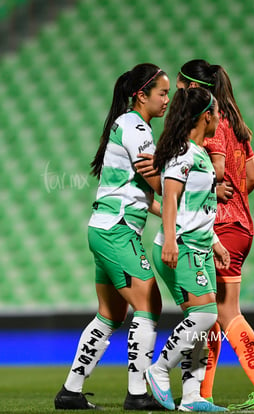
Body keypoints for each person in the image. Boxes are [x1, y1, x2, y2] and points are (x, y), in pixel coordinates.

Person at [54, 63, 170, 410]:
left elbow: (134, 191)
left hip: (104, 227)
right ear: (141, 95)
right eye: (162, 93)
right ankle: (137, 394)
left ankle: (70, 392)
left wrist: (170, 211)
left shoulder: (128, 125)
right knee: (149, 305)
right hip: (118, 230)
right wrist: (191, 200)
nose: (167, 100)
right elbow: (154, 179)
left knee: (110, 314)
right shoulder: (136, 128)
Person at [176, 59, 254, 411]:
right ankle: (202, 394)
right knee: (214, 316)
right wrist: (235, 200)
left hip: (219, 227)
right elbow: (252, 177)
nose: (177, 91)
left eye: (180, 85)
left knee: (225, 313)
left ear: (193, 87)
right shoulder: (238, 123)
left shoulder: (212, 124)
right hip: (241, 225)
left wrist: (215, 194)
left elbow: (218, 173)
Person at [144, 87, 230, 412]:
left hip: (201, 248)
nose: (219, 118)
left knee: (205, 322)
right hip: (180, 247)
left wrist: (217, 244)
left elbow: (197, 207)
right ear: (206, 116)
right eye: (217, 113)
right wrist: (168, 239)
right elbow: (170, 199)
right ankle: (158, 369)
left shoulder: (200, 153)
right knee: (205, 315)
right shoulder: (183, 153)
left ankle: (193, 397)